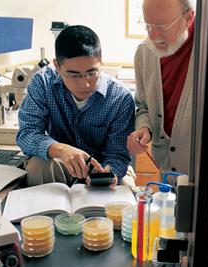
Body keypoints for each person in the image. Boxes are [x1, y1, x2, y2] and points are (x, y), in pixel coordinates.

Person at [17, 25, 135, 187]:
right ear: (57, 66)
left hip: (102, 166)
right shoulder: (42, 82)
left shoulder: (120, 97)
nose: (84, 84)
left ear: (101, 63)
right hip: (60, 162)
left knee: (127, 190)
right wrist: (60, 150)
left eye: (92, 73)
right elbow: (27, 134)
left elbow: (118, 154)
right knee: (38, 167)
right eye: (74, 75)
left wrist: (110, 172)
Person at [126, 0, 196, 177]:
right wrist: (144, 128)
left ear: (188, 18)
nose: (153, 35)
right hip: (166, 166)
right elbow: (143, 106)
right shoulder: (144, 52)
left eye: (161, 27)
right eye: (148, 25)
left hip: (202, 169)